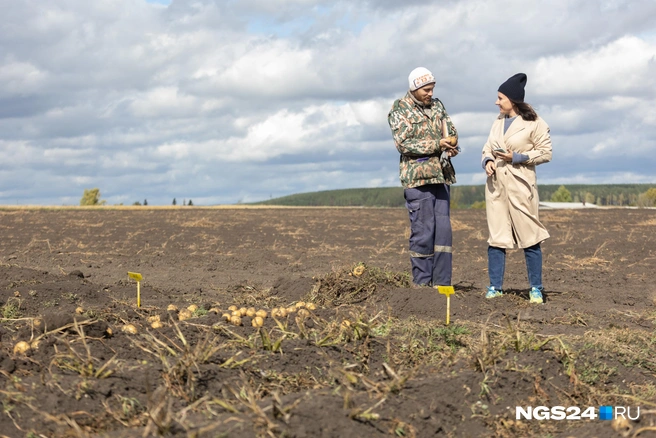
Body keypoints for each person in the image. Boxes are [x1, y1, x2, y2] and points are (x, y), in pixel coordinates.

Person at [481, 73, 552, 303]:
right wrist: (489, 161)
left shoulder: (535, 123)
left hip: (521, 185)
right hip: (496, 187)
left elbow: (545, 153)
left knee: (530, 236)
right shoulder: (497, 122)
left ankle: (536, 289)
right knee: (496, 237)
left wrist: (517, 157)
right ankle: (494, 287)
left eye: (500, 98)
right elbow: (487, 148)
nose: (496, 102)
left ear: (512, 99)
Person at [388, 67, 460, 288]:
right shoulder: (400, 109)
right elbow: (403, 144)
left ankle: (442, 286)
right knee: (423, 233)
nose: (430, 93)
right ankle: (422, 288)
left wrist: (451, 145)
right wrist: (436, 144)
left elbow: (451, 131)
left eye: (432, 89)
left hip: (441, 177)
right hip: (417, 181)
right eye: (426, 90)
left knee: (443, 235)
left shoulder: (438, 106)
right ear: (414, 88)